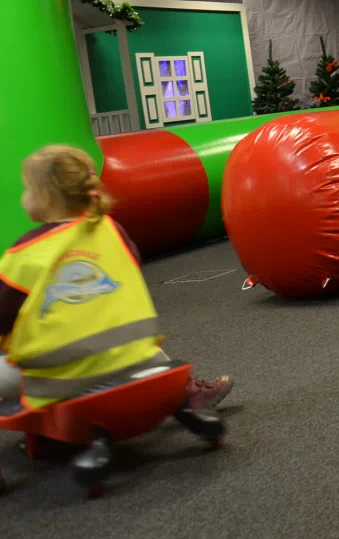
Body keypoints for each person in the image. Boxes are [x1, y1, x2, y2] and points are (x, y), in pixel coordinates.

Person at [0, 145, 233, 410]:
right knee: (127, 338)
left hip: (56, 382)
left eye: (28, 189)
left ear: (45, 197)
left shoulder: (24, 252)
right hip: (130, 362)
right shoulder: (113, 230)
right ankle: (182, 389)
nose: (24, 197)